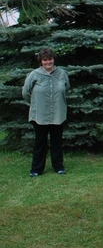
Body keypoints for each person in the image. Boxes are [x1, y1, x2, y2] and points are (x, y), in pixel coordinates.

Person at [23, 48, 70, 177]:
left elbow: (66, 89)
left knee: (57, 142)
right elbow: (26, 92)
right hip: (39, 115)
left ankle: (58, 167)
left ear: (53, 59)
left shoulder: (62, 74)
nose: (48, 62)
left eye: (50, 59)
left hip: (58, 114)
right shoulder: (34, 75)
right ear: (41, 61)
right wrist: (35, 104)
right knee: (40, 142)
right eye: (45, 60)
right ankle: (37, 169)